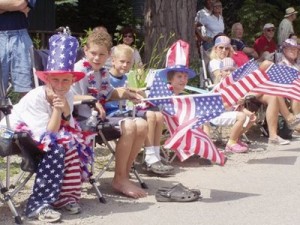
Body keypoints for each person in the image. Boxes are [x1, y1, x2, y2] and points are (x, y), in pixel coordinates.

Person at [0, 32, 93, 222]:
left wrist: (64, 108)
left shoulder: (67, 94)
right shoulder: (36, 97)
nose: (60, 85)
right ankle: (38, 205)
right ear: (47, 80)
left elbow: (70, 127)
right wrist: (58, 111)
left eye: (65, 80)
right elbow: (49, 135)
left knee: (73, 144)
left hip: (38, 134)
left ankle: (64, 196)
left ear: (72, 81)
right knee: (57, 149)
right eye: (55, 80)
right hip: (9, 133)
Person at [71, 30, 148, 199]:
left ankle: (123, 175)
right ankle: (120, 179)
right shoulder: (79, 69)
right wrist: (92, 99)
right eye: (93, 53)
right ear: (85, 51)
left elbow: (109, 93)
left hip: (101, 117)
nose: (97, 58)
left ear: (108, 56)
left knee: (142, 124)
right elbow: (70, 97)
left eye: (102, 54)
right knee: (128, 124)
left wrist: (129, 94)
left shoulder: (102, 72)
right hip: (84, 120)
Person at [104, 43, 174, 175]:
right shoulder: (106, 77)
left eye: (128, 62)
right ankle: (149, 157)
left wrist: (136, 92)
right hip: (112, 113)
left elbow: (126, 90)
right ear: (113, 60)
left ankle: (156, 155)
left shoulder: (124, 77)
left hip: (122, 110)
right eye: (122, 61)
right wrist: (130, 93)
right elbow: (112, 93)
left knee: (158, 115)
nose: (125, 65)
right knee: (150, 115)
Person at [211, 57, 256, 153]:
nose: (229, 72)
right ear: (221, 72)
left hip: (230, 112)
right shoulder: (219, 87)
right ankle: (231, 143)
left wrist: (245, 109)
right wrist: (234, 101)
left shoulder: (235, 86)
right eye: (226, 70)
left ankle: (235, 139)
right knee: (241, 116)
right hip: (217, 114)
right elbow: (219, 106)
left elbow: (238, 107)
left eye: (232, 70)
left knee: (251, 118)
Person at [0, 0, 36, 95]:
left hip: (20, 36)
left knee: (25, 87)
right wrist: (14, 8)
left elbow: (20, 4)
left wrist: (5, 7)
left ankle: (26, 110)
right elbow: (18, 5)